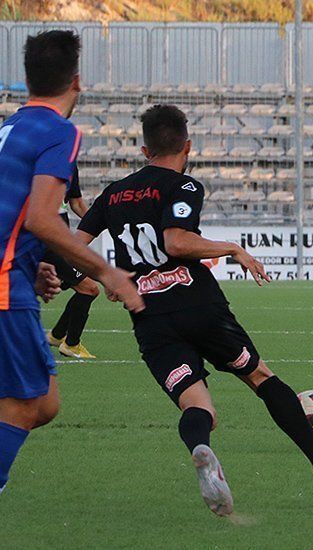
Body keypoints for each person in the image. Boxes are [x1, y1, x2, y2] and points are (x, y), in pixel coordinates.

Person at [75, 105, 313, 516]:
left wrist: (111, 278)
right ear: (187, 146)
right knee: (261, 377)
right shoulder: (185, 187)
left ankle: (203, 450)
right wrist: (232, 248)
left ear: (143, 149)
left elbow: (74, 245)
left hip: (149, 318)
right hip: (199, 307)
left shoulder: (112, 194)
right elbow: (175, 242)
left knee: (199, 408)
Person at [0, 30, 143, 496]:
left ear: (26, 80)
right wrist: (107, 272)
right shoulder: (60, 132)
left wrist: (32, 262)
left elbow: (17, 212)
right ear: (76, 82)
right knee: (27, 405)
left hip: (13, 274)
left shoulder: (9, 128)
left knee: (43, 403)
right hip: (4, 286)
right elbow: (43, 217)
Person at [44, 166, 102, 359]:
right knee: (89, 289)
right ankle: (71, 344)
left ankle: (57, 335)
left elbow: (76, 203)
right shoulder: (37, 158)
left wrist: (99, 222)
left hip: (59, 240)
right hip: (47, 239)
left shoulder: (69, 164)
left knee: (86, 288)